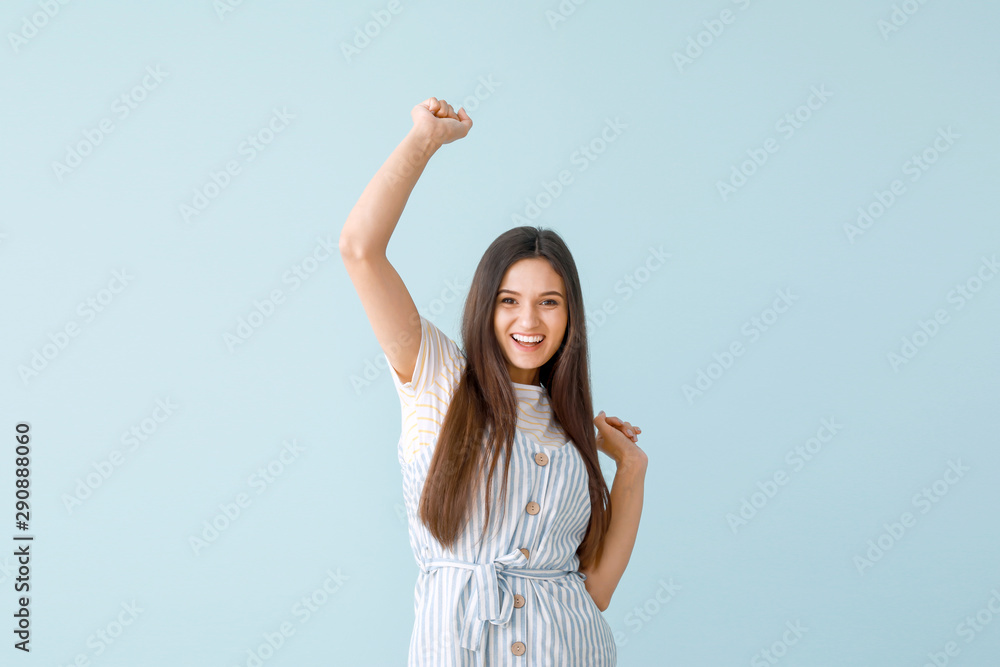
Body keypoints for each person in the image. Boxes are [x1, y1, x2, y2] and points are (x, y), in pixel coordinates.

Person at [339, 96, 648, 666]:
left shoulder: (569, 426)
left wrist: (630, 467)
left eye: (549, 302)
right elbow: (360, 250)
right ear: (485, 306)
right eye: (509, 301)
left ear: (571, 317)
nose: (529, 320)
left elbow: (597, 590)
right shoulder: (437, 377)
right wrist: (424, 141)